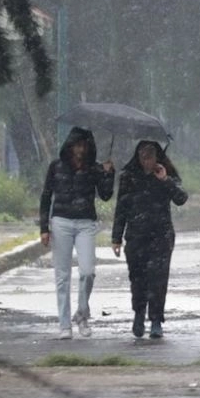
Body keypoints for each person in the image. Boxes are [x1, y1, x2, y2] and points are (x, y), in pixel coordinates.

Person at [39, 126, 115, 339]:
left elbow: (106, 195)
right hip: (61, 221)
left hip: (85, 222)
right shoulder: (56, 167)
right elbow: (46, 196)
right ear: (70, 146)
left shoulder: (94, 168)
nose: (80, 150)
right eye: (77, 145)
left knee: (87, 271)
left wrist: (109, 174)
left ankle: (82, 313)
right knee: (62, 276)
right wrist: (44, 227)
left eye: (84, 146)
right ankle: (65, 324)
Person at [111, 141, 188, 339]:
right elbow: (121, 208)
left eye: (150, 158)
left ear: (156, 158)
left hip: (161, 235)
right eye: (143, 158)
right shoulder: (128, 177)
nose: (146, 162)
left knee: (158, 277)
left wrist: (165, 180)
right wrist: (116, 237)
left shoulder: (166, 174)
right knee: (137, 278)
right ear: (138, 158)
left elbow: (181, 198)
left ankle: (156, 320)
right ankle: (139, 313)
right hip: (136, 236)